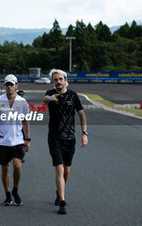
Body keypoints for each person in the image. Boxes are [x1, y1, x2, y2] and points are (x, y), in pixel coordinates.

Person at [43, 69, 88, 214]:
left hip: (70, 138)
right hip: (54, 137)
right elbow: (45, 99)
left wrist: (84, 133)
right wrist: (50, 99)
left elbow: (81, 114)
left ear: (65, 80)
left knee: (67, 170)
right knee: (60, 168)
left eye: (60, 79)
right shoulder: (50, 93)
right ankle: (62, 201)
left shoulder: (73, 96)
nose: (58, 82)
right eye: (55, 79)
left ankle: (59, 190)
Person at [0, 74, 30, 206]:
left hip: (18, 140)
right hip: (2, 140)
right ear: (4, 86)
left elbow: (25, 121)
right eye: (7, 84)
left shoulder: (22, 102)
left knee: (17, 166)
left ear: (16, 86)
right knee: (5, 168)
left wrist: (27, 139)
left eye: (12, 84)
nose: (9, 87)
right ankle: (7, 194)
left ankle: (15, 190)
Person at [17, 90, 26, 163]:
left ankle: (21, 155)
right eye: (20, 95)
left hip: (22, 124)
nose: (21, 97)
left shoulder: (24, 102)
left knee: (23, 140)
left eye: (22, 95)